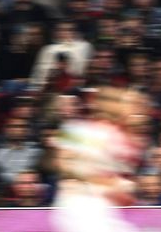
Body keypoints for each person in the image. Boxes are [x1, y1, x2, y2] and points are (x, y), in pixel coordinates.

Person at [50, 87, 147, 232]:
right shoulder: (78, 130)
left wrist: (119, 188)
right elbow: (62, 164)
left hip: (102, 208)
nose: (136, 109)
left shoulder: (126, 138)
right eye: (130, 103)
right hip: (79, 206)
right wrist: (107, 183)